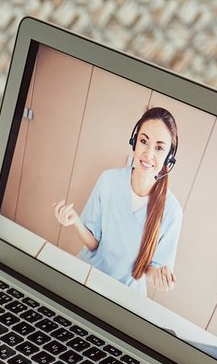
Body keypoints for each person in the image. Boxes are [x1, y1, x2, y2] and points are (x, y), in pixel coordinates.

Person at [53, 107, 184, 296]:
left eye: (159, 147)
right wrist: (75, 221)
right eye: (144, 141)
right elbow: (94, 244)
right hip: (88, 274)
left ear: (169, 158)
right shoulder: (108, 180)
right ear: (134, 142)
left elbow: (149, 269)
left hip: (126, 294)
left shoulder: (172, 212)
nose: (148, 153)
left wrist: (159, 277)